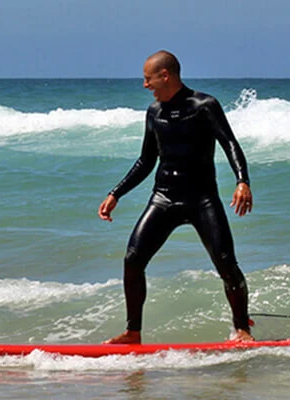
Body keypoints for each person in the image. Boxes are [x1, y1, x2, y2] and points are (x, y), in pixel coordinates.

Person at [97, 51, 255, 344]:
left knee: (226, 263)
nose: (145, 85)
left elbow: (229, 143)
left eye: (148, 78)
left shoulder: (205, 106)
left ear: (165, 75)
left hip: (202, 199)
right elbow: (146, 160)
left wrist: (242, 181)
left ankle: (242, 329)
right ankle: (133, 333)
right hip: (164, 198)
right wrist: (115, 193)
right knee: (133, 260)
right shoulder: (154, 112)